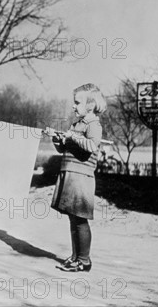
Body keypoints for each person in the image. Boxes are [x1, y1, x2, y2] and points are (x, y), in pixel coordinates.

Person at [44, 83, 107, 272]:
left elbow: (91, 146)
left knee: (80, 219)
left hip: (82, 177)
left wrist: (72, 137)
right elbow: (64, 149)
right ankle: (75, 257)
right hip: (70, 173)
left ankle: (84, 260)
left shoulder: (93, 125)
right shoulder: (76, 124)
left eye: (77, 102)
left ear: (90, 105)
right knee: (73, 218)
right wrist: (57, 138)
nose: (74, 106)